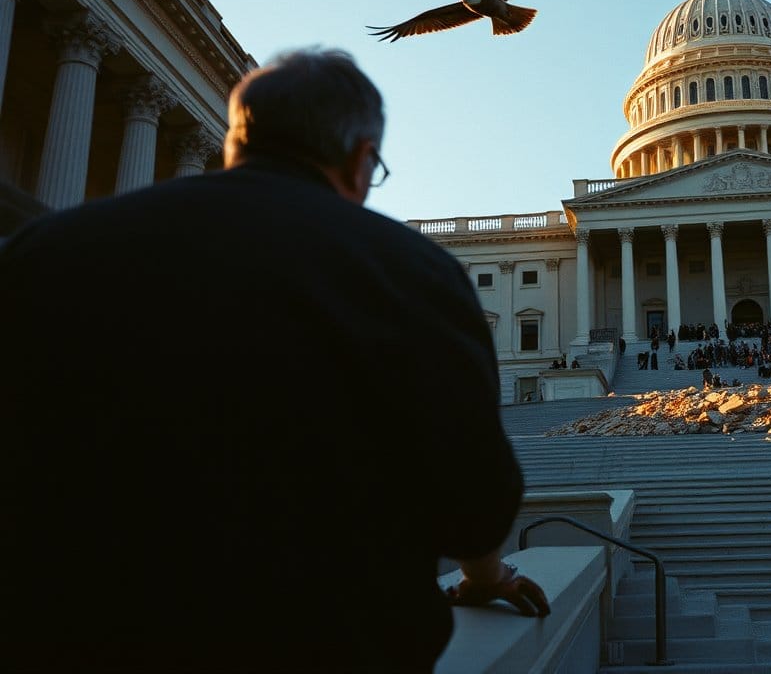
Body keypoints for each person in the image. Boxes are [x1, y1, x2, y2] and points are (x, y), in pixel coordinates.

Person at [0, 49, 548, 672]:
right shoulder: (414, 274)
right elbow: (473, 497)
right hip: (324, 641)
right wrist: (486, 574)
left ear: (237, 141)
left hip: (65, 635)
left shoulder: (48, 249)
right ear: (360, 157)